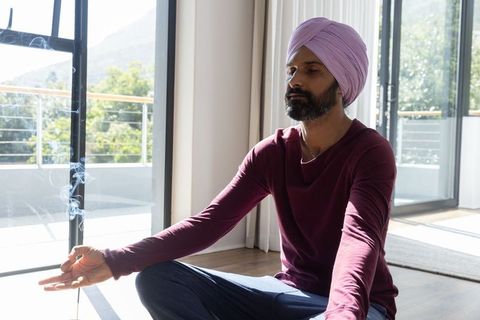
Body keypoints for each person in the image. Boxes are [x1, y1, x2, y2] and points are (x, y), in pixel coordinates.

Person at [39, 17, 398, 320]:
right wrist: (116, 260)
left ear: (342, 84)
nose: (294, 81)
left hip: (358, 306)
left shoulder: (370, 152)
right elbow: (209, 223)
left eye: (311, 70)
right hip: (287, 291)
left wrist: (343, 314)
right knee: (157, 279)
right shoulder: (272, 152)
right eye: (292, 69)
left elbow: (359, 240)